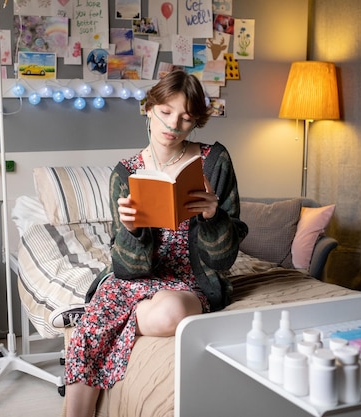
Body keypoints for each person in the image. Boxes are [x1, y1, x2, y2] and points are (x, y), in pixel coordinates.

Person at [49, 70, 248, 417]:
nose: (174, 125)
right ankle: (97, 325)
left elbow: (223, 260)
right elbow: (127, 269)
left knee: (171, 313)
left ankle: (100, 318)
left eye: (187, 118)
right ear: (149, 108)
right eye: (167, 112)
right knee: (89, 339)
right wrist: (132, 230)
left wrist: (213, 217)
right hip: (136, 281)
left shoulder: (215, 160)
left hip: (189, 282)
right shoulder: (125, 174)